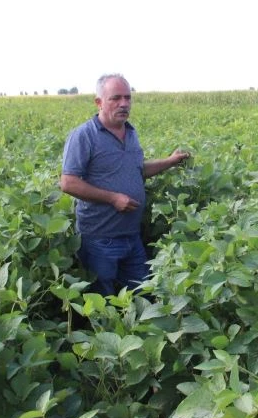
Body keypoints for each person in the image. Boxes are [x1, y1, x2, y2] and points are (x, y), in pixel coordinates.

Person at [60, 73, 190, 296]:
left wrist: (170, 161)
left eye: (128, 98)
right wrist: (113, 198)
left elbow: (137, 170)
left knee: (144, 295)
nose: (124, 103)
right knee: (103, 300)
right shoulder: (84, 135)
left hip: (131, 235)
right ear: (99, 102)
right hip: (99, 238)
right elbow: (68, 183)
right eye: (116, 98)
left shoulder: (130, 133)